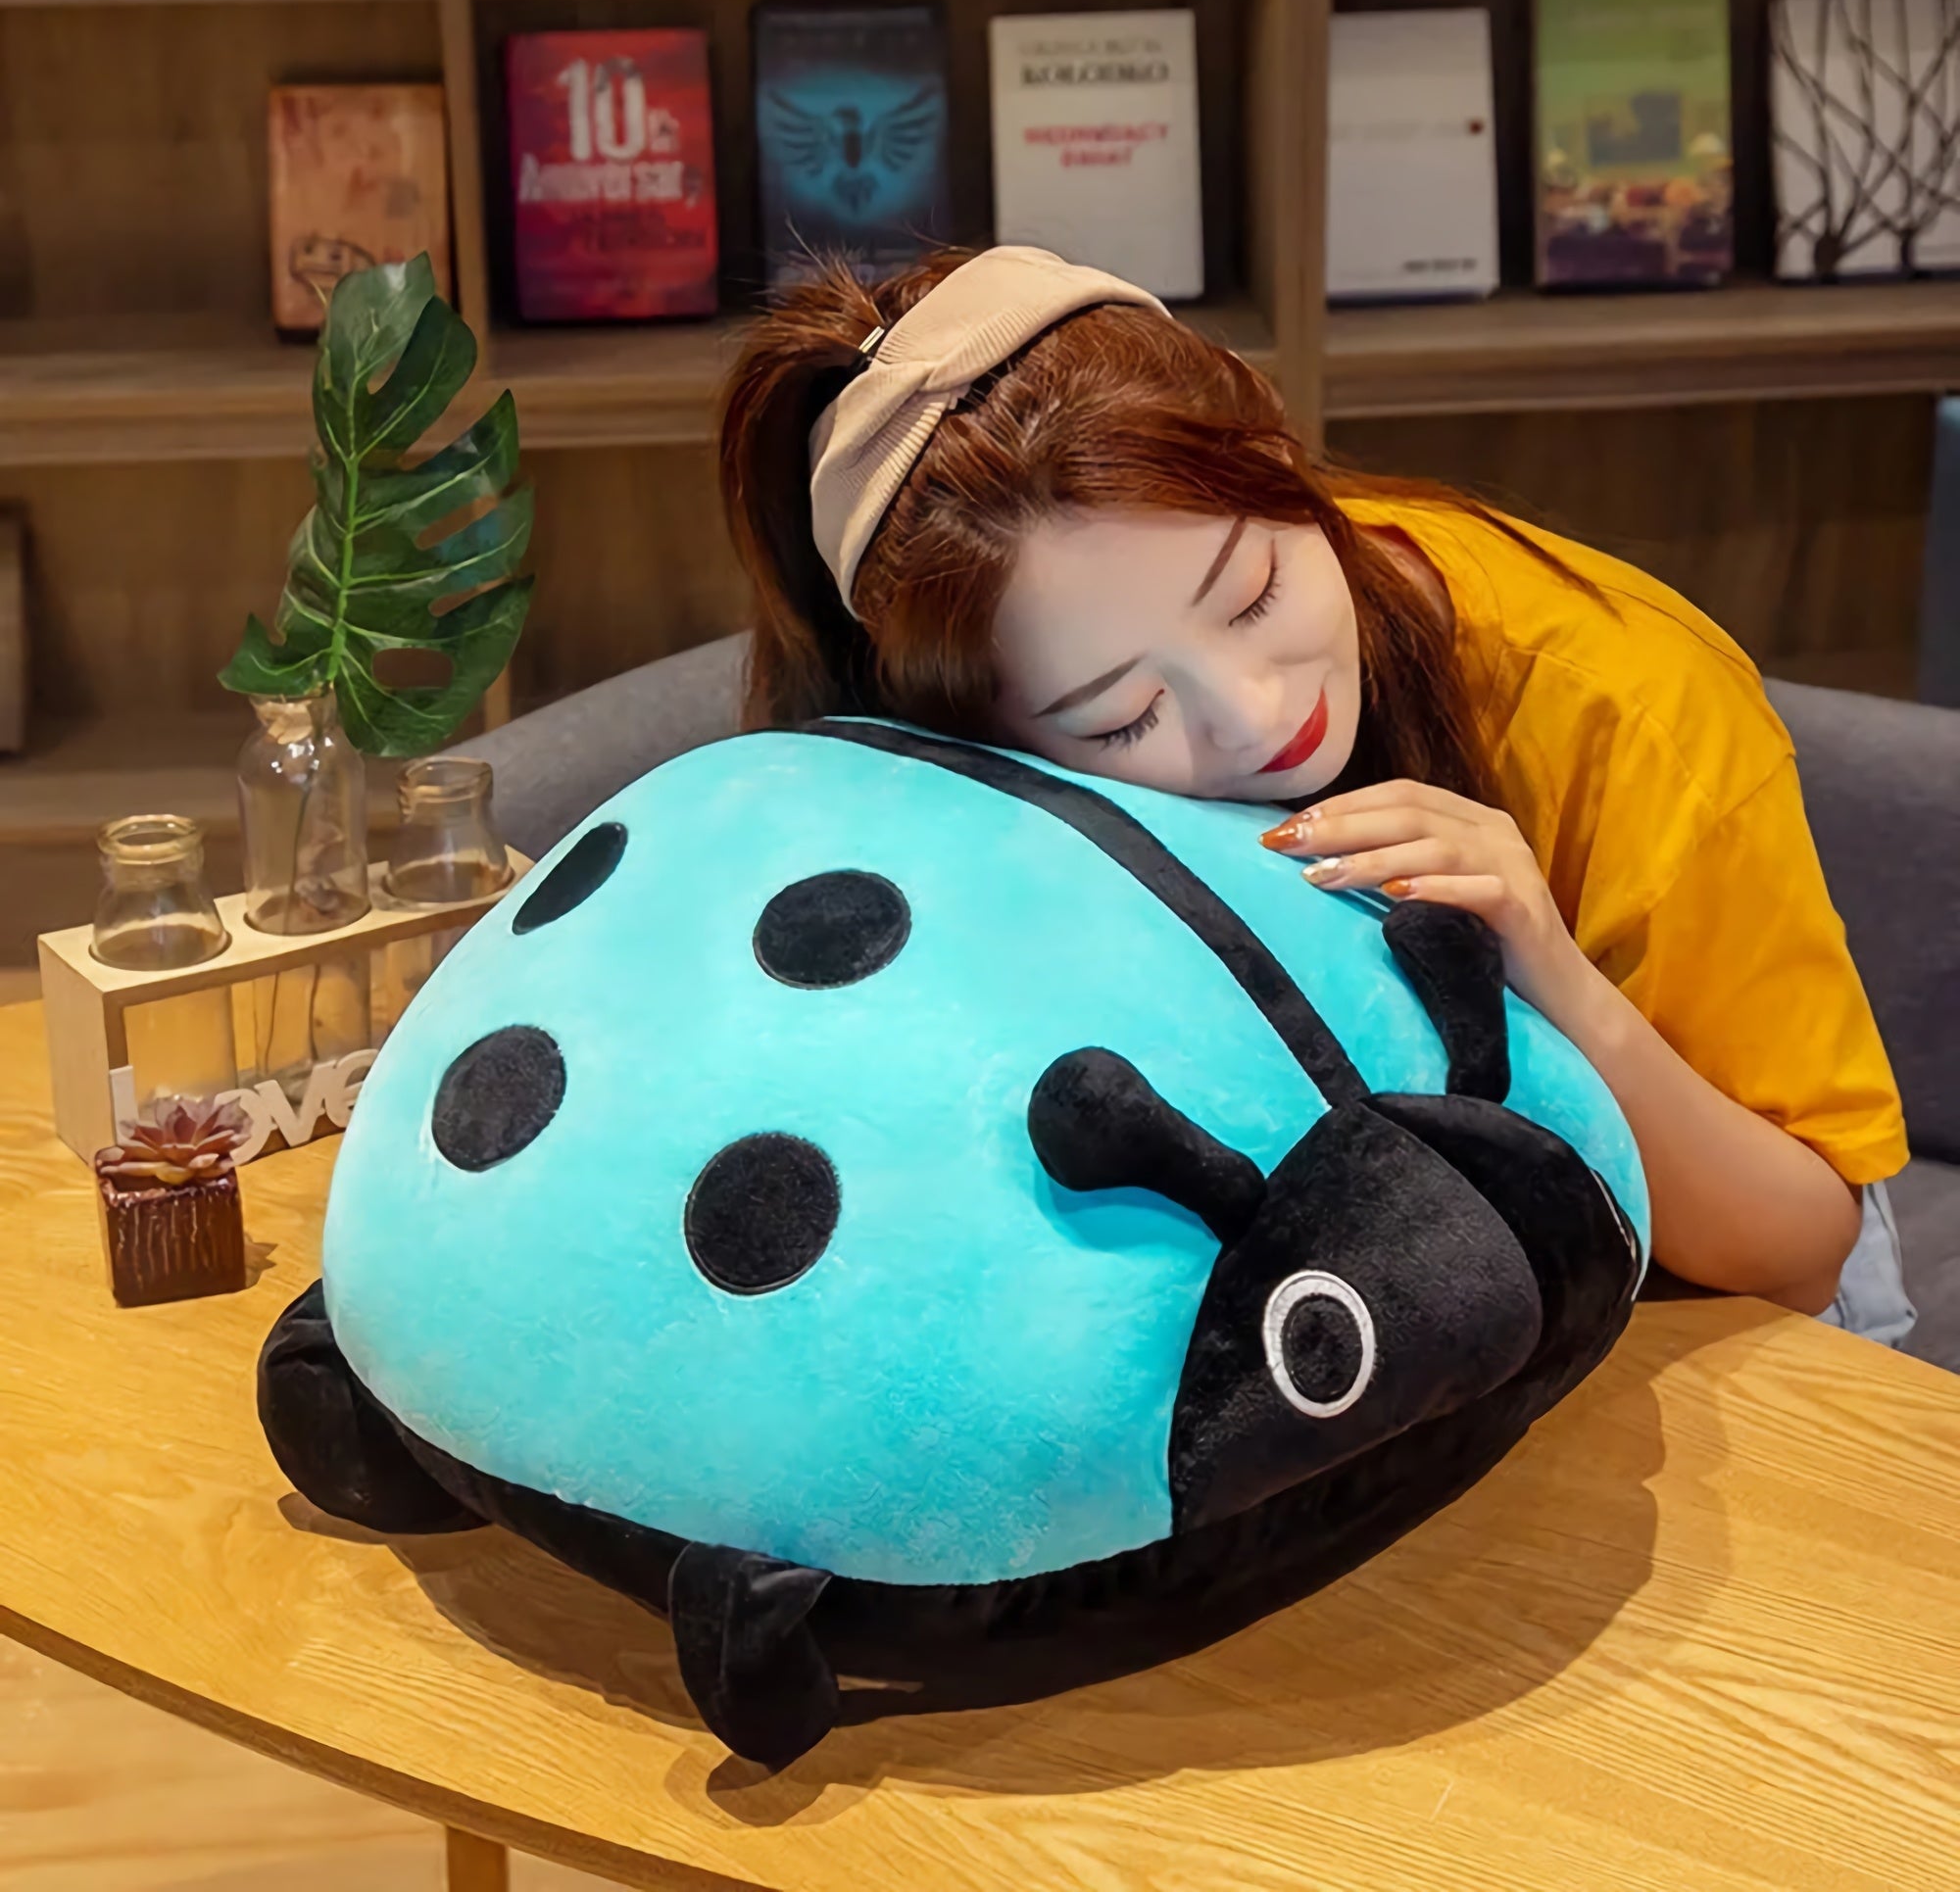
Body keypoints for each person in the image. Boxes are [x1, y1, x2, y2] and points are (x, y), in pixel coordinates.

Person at [715, 243, 1912, 1338]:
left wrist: (1549, 970)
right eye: (1122, 715)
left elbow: (1806, 1246)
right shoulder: (942, 781)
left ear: (1277, 450)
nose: (1255, 712)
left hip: (1713, 1311)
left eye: (1253, 594)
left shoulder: (1626, 701)